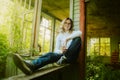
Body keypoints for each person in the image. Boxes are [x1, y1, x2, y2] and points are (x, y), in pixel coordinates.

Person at [13, 18, 82, 75]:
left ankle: (65, 58)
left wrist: (68, 39)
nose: (67, 25)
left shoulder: (73, 33)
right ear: (63, 24)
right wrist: (61, 50)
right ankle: (31, 66)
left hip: (71, 57)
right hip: (62, 56)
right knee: (50, 55)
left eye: (69, 23)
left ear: (71, 25)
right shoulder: (60, 36)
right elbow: (56, 50)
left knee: (78, 39)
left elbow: (80, 33)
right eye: (65, 23)